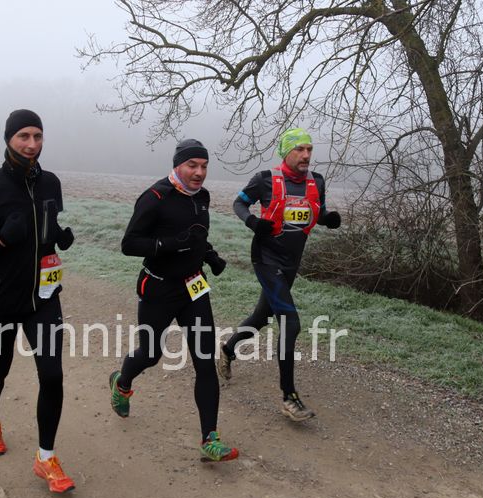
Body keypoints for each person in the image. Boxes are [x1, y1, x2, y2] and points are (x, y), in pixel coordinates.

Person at [0, 109, 76, 493]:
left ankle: (46, 457)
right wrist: (1, 240)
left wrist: (57, 236)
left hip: (44, 297)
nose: (32, 144)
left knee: (52, 375)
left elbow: (44, 229)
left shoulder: (51, 183)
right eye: (24, 136)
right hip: (1, 301)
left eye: (37, 136)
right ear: (9, 139)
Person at [108, 139, 239, 463]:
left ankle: (209, 438)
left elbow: (196, 235)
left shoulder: (202, 197)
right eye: (192, 165)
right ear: (178, 165)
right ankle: (122, 382)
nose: (199, 172)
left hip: (194, 288)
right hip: (159, 288)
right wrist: (169, 244)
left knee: (204, 360)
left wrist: (210, 255)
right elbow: (129, 244)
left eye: (204, 166)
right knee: (151, 355)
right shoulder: (155, 198)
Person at [218, 128, 341, 421]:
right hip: (266, 258)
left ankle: (228, 350)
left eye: (309, 149)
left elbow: (317, 211)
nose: (306, 155)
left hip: (290, 263)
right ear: (286, 152)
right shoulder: (264, 179)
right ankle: (289, 397)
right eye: (300, 149)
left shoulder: (317, 181)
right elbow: (239, 203)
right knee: (291, 323)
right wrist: (251, 221)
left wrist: (328, 219)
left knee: (262, 317)